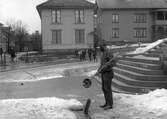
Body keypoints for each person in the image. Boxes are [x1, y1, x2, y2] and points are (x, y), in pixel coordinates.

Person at [97, 44, 116, 110]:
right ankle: (107, 103)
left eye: (101, 46)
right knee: (104, 88)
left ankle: (110, 104)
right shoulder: (103, 53)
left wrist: (107, 66)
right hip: (103, 73)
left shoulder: (109, 53)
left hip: (108, 73)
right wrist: (99, 70)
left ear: (104, 46)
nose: (100, 48)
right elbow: (102, 64)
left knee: (107, 89)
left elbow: (113, 63)